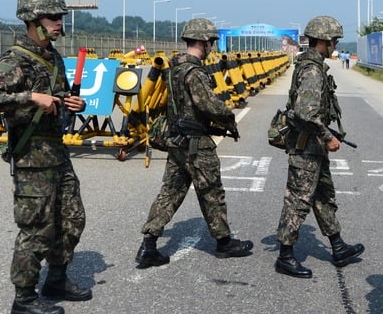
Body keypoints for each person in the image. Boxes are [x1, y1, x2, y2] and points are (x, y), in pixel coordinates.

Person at [0, 0, 90, 314]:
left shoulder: (53, 58)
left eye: (60, 17)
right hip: (31, 157)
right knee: (36, 228)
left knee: (71, 218)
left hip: (58, 153)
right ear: (33, 20)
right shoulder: (15, 60)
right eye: (52, 17)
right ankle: (24, 297)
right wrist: (29, 98)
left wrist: (73, 103)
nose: (59, 22)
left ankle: (56, 278)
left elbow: (60, 99)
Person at [135, 18, 253, 269]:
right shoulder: (195, 71)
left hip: (176, 141)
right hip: (196, 143)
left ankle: (148, 246)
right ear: (202, 41)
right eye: (211, 41)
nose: (212, 46)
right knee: (212, 192)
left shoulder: (174, 69)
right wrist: (229, 118)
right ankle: (224, 243)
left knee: (170, 193)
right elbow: (208, 104)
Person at [274, 16, 365, 279]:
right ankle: (285, 256)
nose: (336, 43)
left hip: (313, 147)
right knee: (298, 201)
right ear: (324, 40)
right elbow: (306, 112)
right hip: (307, 146)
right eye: (334, 39)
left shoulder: (311, 66)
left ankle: (338, 246)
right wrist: (327, 136)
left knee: (324, 196)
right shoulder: (313, 70)